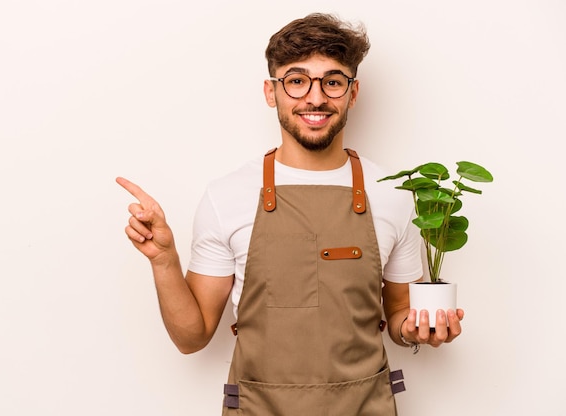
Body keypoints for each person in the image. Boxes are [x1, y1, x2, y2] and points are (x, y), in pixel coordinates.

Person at [117, 12, 463, 415]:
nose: (315, 98)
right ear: (271, 91)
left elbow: (401, 316)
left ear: (352, 93)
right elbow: (191, 338)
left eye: (332, 82)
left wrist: (419, 329)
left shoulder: (391, 196)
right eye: (297, 81)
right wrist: (164, 260)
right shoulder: (226, 196)